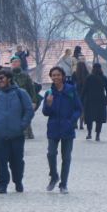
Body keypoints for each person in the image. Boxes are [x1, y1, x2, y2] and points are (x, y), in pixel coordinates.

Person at [0, 68, 34, 194]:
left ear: (9, 79)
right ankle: (2, 184)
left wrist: (22, 125)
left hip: (16, 134)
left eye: (2, 78)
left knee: (17, 161)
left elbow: (28, 110)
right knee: (1, 161)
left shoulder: (21, 93)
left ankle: (18, 181)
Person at [41, 66, 81, 194]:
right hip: (53, 127)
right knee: (51, 154)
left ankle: (63, 184)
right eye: (53, 75)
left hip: (67, 128)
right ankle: (54, 176)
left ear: (63, 76)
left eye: (58, 75)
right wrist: (48, 104)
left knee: (66, 157)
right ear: (51, 77)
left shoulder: (71, 90)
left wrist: (72, 121)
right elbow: (45, 113)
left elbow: (78, 108)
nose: (56, 77)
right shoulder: (49, 93)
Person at [10, 55, 40, 139]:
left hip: (24, 99)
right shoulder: (9, 75)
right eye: (13, 62)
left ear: (20, 63)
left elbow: (31, 88)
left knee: (26, 116)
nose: (15, 64)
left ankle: (28, 133)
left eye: (17, 62)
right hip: (13, 99)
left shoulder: (25, 75)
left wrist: (34, 101)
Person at [81, 61, 107, 140]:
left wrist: (82, 100)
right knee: (99, 118)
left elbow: (84, 90)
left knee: (89, 117)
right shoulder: (104, 78)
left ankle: (89, 133)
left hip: (90, 100)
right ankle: (97, 135)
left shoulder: (89, 78)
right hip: (101, 100)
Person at [72, 60, 90, 128]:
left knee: (76, 108)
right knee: (83, 109)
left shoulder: (74, 74)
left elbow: (72, 84)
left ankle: (75, 122)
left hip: (76, 93)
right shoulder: (87, 74)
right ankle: (81, 124)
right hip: (85, 94)